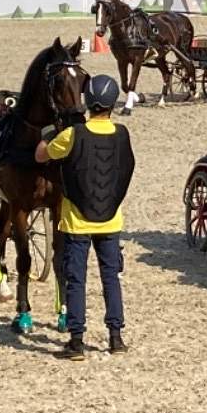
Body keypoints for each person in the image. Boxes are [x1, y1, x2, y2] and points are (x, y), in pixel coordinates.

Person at [34, 75, 134, 360]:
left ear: (87, 102)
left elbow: (42, 156)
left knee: (76, 279)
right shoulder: (122, 133)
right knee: (110, 277)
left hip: (77, 219)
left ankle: (77, 341)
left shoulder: (72, 134)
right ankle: (115, 337)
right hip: (111, 219)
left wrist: (47, 136)